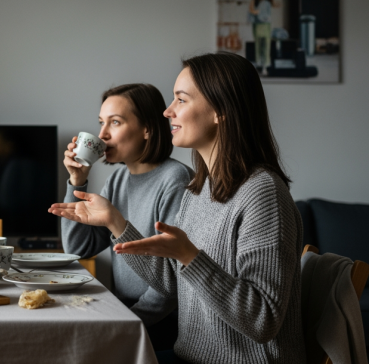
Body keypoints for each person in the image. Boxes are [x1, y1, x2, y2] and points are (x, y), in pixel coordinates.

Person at [50, 53, 305, 364]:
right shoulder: (200, 190)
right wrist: (116, 223)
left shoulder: (262, 194)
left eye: (181, 100)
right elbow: (170, 283)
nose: (168, 111)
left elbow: (263, 320)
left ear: (220, 111)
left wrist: (189, 256)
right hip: (190, 356)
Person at [59, 84, 192, 350]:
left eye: (115, 122)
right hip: (126, 308)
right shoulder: (118, 179)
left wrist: (125, 323)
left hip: (164, 321)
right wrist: (77, 183)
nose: (102, 135)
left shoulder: (175, 180)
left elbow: (172, 285)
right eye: (101, 123)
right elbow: (78, 248)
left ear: (147, 129)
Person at [248, 0, 279, 72]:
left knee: (266, 45)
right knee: (259, 45)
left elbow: (270, 12)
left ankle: (266, 65)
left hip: (266, 25)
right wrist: (258, 12)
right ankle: (259, 65)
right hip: (258, 25)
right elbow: (251, 10)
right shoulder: (256, 0)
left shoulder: (268, 2)